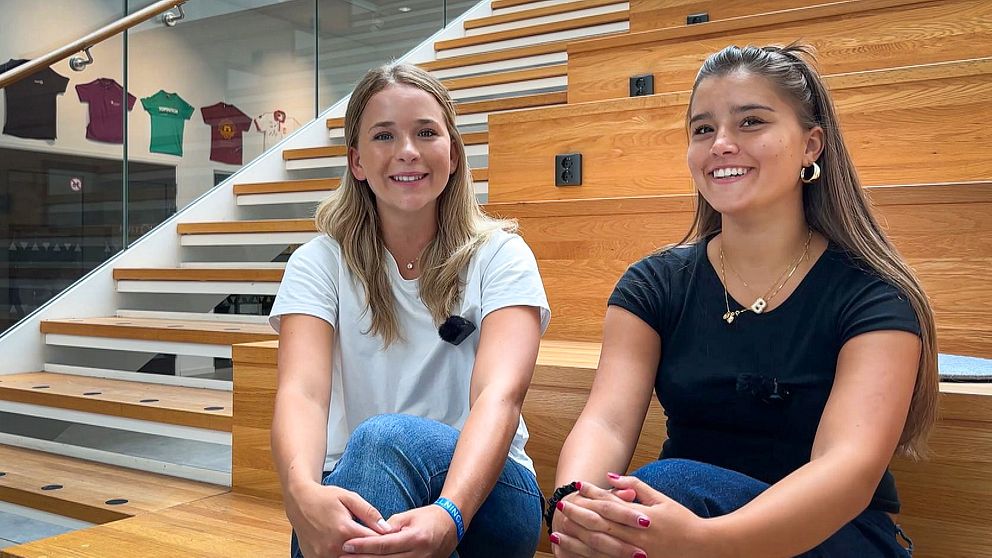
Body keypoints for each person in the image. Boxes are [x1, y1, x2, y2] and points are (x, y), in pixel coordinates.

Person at [546, 44, 938, 558]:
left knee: (667, 485)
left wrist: (706, 543)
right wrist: (575, 508)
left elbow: (848, 470)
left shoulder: (873, 296)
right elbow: (606, 421)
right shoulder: (652, 285)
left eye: (751, 121)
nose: (721, 144)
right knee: (639, 502)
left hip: (830, 538)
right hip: (679, 527)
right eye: (703, 129)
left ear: (811, 145)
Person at [269, 62, 550, 558]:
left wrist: (451, 512)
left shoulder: (502, 255)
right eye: (383, 136)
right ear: (356, 161)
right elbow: (302, 394)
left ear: (454, 152)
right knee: (359, 474)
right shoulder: (317, 263)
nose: (407, 152)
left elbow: (499, 397)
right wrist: (302, 496)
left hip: (485, 495)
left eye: (426, 132)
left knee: (383, 437)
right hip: (361, 480)